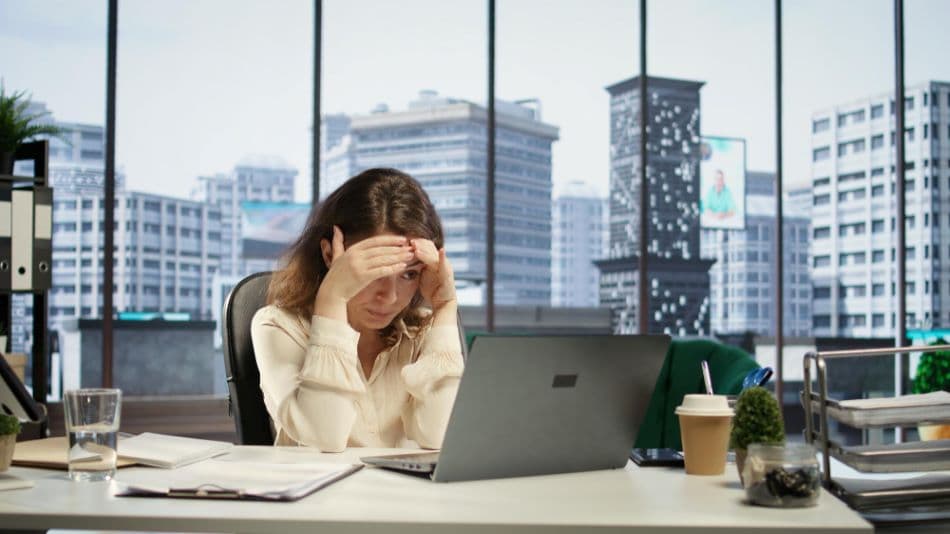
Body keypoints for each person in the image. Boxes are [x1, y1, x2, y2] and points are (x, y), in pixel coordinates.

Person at [251, 168, 463, 452]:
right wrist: (333, 296)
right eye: (372, 272)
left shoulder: (421, 332)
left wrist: (445, 306)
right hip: (320, 483)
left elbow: (440, 438)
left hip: (398, 483)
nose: (390, 296)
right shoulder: (277, 327)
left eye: (409, 274)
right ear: (330, 254)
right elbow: (324, 438)